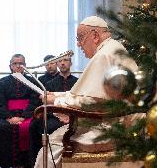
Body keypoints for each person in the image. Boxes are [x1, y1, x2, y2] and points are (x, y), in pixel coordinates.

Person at [34, 16, 138, 168]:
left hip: (113, 126)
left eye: (80, 38)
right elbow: (94, 95)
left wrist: (54, 101)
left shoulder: (104, 55)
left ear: (95, 36)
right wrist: (57, 95)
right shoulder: (113, 49)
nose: (78, 43)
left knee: (51, 147)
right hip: (117, 119)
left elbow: (91, 102)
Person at [29, 57, 78, 167]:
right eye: (60, 61)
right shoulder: (50, 84)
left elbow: (78, 102)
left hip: (73, 116)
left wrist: (69, 116)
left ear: (70, 63)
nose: (62, 63)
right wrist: (58, 116)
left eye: (65, 60)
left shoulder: (77, 82)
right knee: (34, 126)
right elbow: (48, 105)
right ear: (57, 64)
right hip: (55, 117)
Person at [0, 54, 41, 168]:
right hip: (8, 115)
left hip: (28, 114)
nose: (18, 66)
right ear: (10, 66)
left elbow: (35, 101)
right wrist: (9, 117)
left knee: (33, 127)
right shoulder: (2, 82)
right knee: (2, 127)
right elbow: (0, 102)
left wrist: (24, 116)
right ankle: (6, 164)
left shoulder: (32, 81)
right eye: (15, 63)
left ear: (25, 66)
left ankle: (29, 163)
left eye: (21, 64)